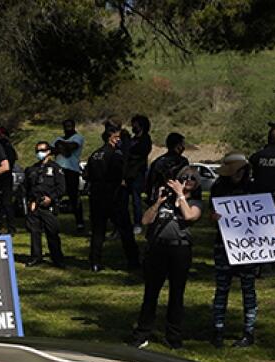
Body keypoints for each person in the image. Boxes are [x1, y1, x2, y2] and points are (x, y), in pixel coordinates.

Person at [131, 165, 203, 350]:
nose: (188, 180)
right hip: (158, 249)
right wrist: (157, 203)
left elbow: (189, 216)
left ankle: (173, 336)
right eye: (184, 177)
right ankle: (142, 332)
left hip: (180, 250)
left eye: (192, 178)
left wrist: (180, 195)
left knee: (176, 294)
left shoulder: (195, 203)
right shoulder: (165, 200)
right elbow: (145, 221)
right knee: (151, 293)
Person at [208, 154, 263, 348]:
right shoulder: (218, 188)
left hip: (247, 247)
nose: (237, 175)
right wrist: (213, 217)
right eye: (234, 171)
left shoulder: (254, 188)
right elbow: (211, 213)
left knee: (248, 289)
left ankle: (249, 331)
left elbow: (266, 212)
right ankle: (218, 329)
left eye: (240, 170)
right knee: (222, 288)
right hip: (224, 245)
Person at [84, 128, 140, 273]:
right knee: (125, 230)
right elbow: (118, 175)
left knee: (98, 231)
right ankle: (133, 262)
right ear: (112, 138)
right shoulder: (115, 155)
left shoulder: (95, 154)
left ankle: (94, 262)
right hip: (113, 196)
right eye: (118, 138)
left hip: (96, 196)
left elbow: (87, 175)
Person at [23, 141, 66, 268]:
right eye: (37, 151)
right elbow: (26, 187)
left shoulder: (56, 168)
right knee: (34, 232)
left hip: (48, 204)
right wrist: (30, 201)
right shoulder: (32, 169)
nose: (39, 153)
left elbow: (61, 188)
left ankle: (57, 258)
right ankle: (36, 256)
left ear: (48, 152)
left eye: (42, 150)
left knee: (52, 232)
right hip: (34, 205)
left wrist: (51, 198)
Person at [53, 119, 85, 232]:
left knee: (74, 196)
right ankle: (52, 221)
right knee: (55, 195)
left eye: (70, 125)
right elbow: (54, 150)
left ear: (74, 126)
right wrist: (63, 147)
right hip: (58, 170)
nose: (68, 127)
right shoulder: (58, 138)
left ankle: (80, 222)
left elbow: (70, 149)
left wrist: (61, 145)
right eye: (66, 126)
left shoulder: (78, 137)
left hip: (72, 170)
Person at [125, 115, 153, 234]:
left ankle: (138, 223)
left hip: (138, 173)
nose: (133, 127)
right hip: (128, 173)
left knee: (136, 200)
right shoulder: (132, 139)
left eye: (134, 124)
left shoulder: (145, 140)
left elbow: (140, 154)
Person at [145, 133, 188, 204]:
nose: (183, 147)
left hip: (159, 197)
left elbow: (150, 182)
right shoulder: (182, 162)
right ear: (177, 145)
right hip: (175, 198)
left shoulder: (157, 161)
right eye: (182, 144)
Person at [0, 126, 18, 233]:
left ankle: (9, 226)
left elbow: (11, 161)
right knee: (1, 203)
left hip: (5, 177)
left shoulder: (6, 147)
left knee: (6, 203)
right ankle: (1, 224)